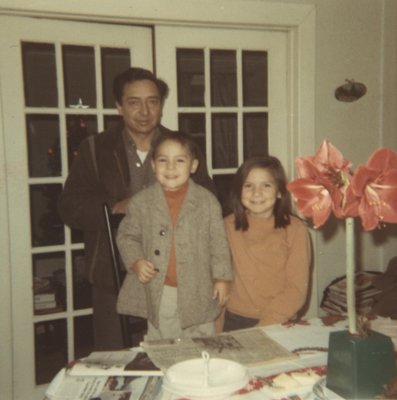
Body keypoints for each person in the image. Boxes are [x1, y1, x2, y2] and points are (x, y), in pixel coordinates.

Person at [58, 67, 215, 350]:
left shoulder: (183, 146)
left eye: (152, 101)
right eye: (134, 102)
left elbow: (209, 199)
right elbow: (69, 206)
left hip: (176, 278)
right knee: (119, 361)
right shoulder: (95, 148)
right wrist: (116, 207)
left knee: (178, 354)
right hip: (113, 272)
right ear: (119, 106)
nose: (144, 111)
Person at [116, 131, 233, 340]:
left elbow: (219, 242)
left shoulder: (207, 201)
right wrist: (136, 261)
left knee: (202, 339)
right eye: (163, 161)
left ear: (193, 166)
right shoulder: (142, 202)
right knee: (164, 342)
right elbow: (126, 236)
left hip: (199, 288)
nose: (170, 168)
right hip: (162, 290)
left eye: (179, 161)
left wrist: (222, 277)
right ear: (153, 165)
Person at [222, 156, 311, 331]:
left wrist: (263, 327)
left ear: (279, 192)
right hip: (234, 320)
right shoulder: (226, 226)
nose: (257, 193)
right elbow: (217, 278)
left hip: (279, 319)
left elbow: (296, 290)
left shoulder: (295, 229)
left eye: (266, 185)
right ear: (239, 191)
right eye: (248, 186)